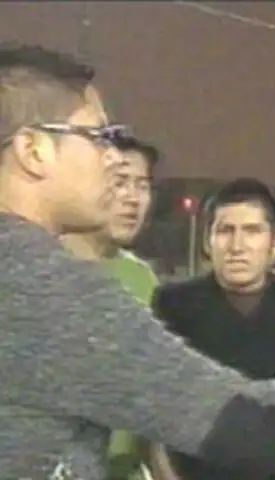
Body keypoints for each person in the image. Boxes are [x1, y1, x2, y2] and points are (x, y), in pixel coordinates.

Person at [0, 43, 275, 478]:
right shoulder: (52, 292)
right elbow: (253, 435)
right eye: (99, 137)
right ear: (34, 150)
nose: (114, 159)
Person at [149, 178, 275, 480]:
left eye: (252, 231)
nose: (237, 246)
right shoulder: (174, 304)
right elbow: (156, 418)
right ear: (208, 241)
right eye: (225, 231)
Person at [60, 136, 161, 479]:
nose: (132, 198)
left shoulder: (143, 280)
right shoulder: (37, 270)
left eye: (142, 186)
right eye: (120, 182)